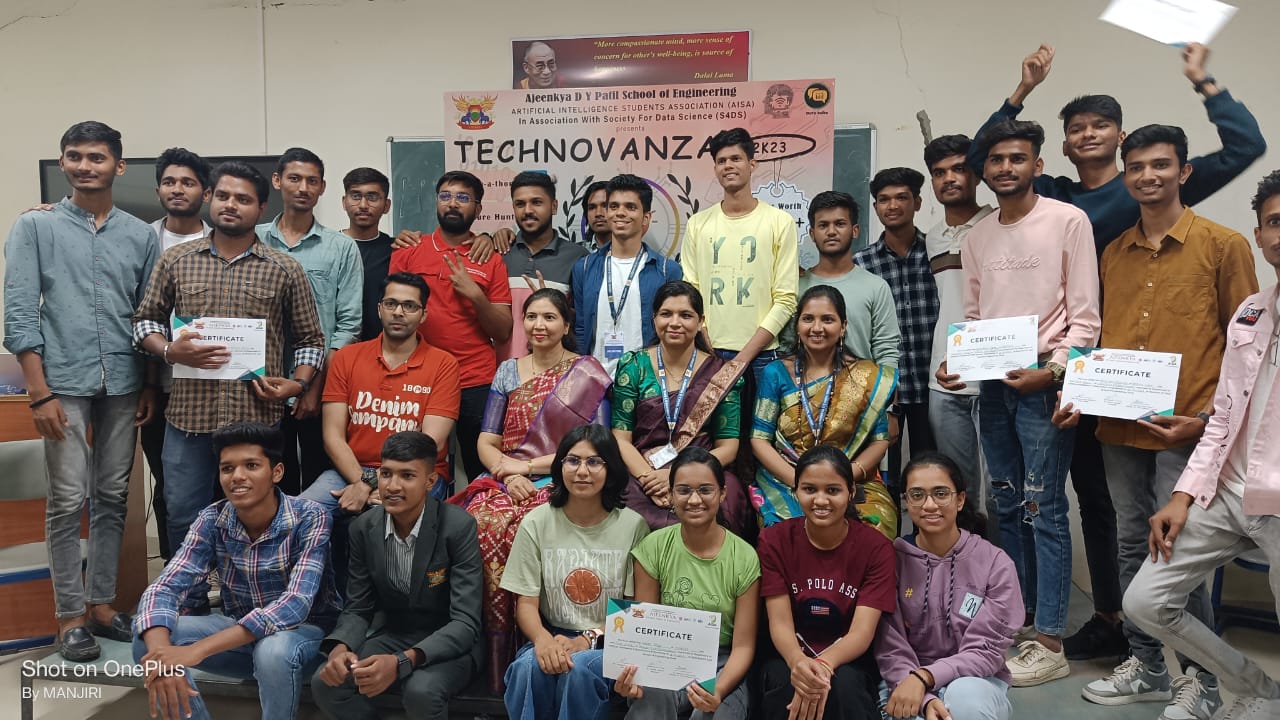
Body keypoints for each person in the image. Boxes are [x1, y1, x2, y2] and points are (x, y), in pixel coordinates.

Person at [968, 42, 1266, 662]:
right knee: (1099, 508)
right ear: (1062, 146)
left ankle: (1178, 656)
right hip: (1091, 384)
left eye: (1100, 125)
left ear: (1126, 140)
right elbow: (985, 157)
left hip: (1147, 388)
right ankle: (1120, 627)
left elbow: (1245, 148)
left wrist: (1204, 80)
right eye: (1076, 127)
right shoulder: (1056, 195)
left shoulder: (1165, 201)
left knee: (1152, 524)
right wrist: (1020, 91)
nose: (1088, 134)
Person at [1058, 126, 1256, 719]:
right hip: (1120, 427)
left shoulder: (1223, 246)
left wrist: (1207, 421)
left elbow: (1246, 350)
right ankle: (1146, 665)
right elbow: (1099, 336)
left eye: (1161, 165)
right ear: (1126, 176)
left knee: (1179, 553)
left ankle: (1205, 680)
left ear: (1184, 172)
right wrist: (1078, 389)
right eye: (1137, 167)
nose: (1148, 176)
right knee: (1128, 545)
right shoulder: (1112, 253)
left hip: (1189, 429)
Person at [132, 160, 326, 612]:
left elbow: (311, 340)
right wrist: (170, 351)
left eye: (243, 199)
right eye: (223, 196)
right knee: (182, 513)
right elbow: (144, 322)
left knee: (257, 516)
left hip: (255, 421)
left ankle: (255, 605)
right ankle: (190, 604)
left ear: (261, 208)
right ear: (210, 199)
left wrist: (296, 385)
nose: (231, 205)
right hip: (189, 419)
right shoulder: (176, 260)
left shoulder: (284, 269)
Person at [1123, 170, 1280, 720]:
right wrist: (1183, 495)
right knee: (1145, 602)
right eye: (1274, 222)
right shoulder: (1252, 312)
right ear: (1259, 235)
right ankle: (1259, 688)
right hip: (1227, 493)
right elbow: (1224, 416)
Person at [3, 120, 159, 661]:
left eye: (97, 157)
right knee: (68, 500)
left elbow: (147, 315)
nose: (85, 166)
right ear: (63, 162)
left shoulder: (140, 236)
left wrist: (149, 384)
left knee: (112, 496)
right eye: (75, 156)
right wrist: (38, 393)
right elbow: (19, 312)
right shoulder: (35, 227)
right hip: (62, 383)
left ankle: (102, 605)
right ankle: (69, 617)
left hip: (124, 382)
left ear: (119, 166)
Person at [957, 119, 1100, 686]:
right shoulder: (977, 237)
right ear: (985, 170)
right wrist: (961, 362)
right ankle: (1019, 619)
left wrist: (1054, 373)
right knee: (1008, 504)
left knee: (1045, 508)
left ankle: (1051, 638)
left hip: (1044, 384)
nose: (1006, 168)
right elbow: (974, 317)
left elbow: (1085, 318)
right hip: (994, 386)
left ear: (1037, 165)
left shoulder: (1068, 221)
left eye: (1017, 158)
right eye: (996, 160)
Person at [449, 288, 613, 691]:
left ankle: (532, 639)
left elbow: (596, 444)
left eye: (550, 317)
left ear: (567, 325)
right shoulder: (508, 371)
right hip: (505, 477)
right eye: (532, 317)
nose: (540, 325)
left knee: (530, 521)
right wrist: (507, 474)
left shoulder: (588, 374)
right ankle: (489, 657)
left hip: (565, 476)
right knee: (481, 521)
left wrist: (525, 467)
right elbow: (487, 440)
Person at [131, 422, 341, 720]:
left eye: (251, 466)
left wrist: (199, 649)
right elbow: (164, 588)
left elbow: (294, 605)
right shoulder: (212, 519)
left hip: (302, 640)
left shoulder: (310, 517)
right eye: (227, 468)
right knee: (147, 639)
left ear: (277, 472)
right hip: (240, 637)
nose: (237, 476)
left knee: (272, 651)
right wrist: (162, 660)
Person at [300, 272, 461, 597]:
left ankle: (384, 612)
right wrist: (362, 480)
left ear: (423, 314)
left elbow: (429, 445)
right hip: (349, 470)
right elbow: (332, 436)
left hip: (416, 475)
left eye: (409, 306)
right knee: (299, 514)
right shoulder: (347, 357)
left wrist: (372, 484)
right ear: (379, 309)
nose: (399, 312)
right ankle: (321, 606)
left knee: (381, 524)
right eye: (391, 303)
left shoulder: (443, 364)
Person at [312, 431, 482, 720]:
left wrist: (402, 661)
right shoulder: (364, 528)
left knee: (421, 692)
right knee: (327, 683)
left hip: (450, 641)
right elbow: (358, 607)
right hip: (396, 634)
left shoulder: (458, 526)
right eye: (386, 474)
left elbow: (465, 622)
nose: (392, 486)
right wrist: (341, 648)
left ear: (430, 481)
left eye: (407, 476)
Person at [501, 424, 650, 720]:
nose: (582, 471)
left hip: (610, 641)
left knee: (579, 669)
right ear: (559, 466)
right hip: (553, 634)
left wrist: (588, 639)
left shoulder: (633, 526)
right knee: (529, 667)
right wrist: (542, 640)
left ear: (611, 470)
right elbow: (526, 604)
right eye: (573, 460)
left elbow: (635, 609)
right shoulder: (536, 523)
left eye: (594, 462)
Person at [613, 447, 760, 720]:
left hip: (722, 662)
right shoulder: (653, 548)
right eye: (683, 491)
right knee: (649, 698)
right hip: (666, 656)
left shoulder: (744, 557)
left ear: (722, 494)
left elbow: (743, 647)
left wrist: (717, 689)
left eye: (705, 490)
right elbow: (644, 632)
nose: (694, 500)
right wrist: (634, 678)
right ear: (670, 495)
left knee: (714, 712)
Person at [875, 452, 1022, 720]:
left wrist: (926, 676)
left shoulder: (995, 563)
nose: (930, 505)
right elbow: (890, 647)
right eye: (917, 495)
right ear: (906, 501)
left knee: (964, 698)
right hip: (904, 682)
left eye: (941, 493)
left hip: (976, 680)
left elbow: (986, 651)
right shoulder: (890, 561)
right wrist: (924, 696)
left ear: (960, 499)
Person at [389, 170, 514, 482]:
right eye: (445, 196)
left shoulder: (490, 258)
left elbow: (502, 332)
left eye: (463, 198)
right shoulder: (408, 250)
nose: (453, 203)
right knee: (418, 463)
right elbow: (393, 315)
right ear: (436, 202)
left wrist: (475, 294)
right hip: (419, 375)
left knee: (481, 467)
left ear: (478, 208)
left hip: (474, 377)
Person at [757, 444, 897, 720]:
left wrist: (822, 665)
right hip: (788, 656)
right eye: (810, 489)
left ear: (851, 492)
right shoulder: (774, 540)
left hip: (849, 660)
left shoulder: (876, 548)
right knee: (785, 683)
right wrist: (799, 663)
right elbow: (780, 622)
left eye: (832, 490)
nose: (820, 500)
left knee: (845, 686)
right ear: (795, 491)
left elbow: (861, 632)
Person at [751, 285, 899, 537]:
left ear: (843, 327)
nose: (817, 328)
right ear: (797, 325)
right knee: (786, 531)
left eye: (827, 319)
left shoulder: (867, 376)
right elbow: (759, 439)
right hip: (787, 480)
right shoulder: (775, 373)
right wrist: (801, 482)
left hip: (851, 478)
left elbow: (879, 441)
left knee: (875, 524)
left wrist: (843, 478)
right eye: (808, 319)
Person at [257, 147, 363, 495]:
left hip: (319, 385)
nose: (303, 187)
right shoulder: (253, 239)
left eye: (312, 181)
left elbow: (348, 325)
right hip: (259, 387)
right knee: (270, 479)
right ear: (277, 181)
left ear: (322, 187)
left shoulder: (341, 247)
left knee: (320, 479)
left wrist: (314, 387)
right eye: (294, 178)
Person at [612, 281, 750, 534]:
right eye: (666, 314)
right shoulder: (633, 366)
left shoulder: (721, 374)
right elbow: (621, 439)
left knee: (727, 501)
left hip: (702, 470)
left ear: (700, 322)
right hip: (643, 471)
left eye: (685, 315)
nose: (675, 323)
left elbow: (728, 448)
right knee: (626, 512)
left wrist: (676, 476)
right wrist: (648, 478)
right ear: (654, 319)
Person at [679, 127, 798, 382]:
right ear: (715, 169)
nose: (728, 166)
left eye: (736, 158)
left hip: (763, 355)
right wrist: (704, 338)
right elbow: (691, 290)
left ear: (752, 164)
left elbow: (786, 299)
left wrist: (743, 358)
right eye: (721, 161)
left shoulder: (779, 222)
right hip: (707, 351)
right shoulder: (698, 224)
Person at [146, 147, 214, 562]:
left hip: (217, 384)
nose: (177, 189)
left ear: (205, 193)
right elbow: (141, 316)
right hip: (158, 385)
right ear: (158, 189)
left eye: (188, 182)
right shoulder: (140, 239)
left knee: (221, 485)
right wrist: (148, 383)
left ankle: (220, 571)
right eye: (169, 181)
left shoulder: (226, 239)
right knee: (171, 487)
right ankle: (175, 568)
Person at [853, 167, 939, 495]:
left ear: (917, 202)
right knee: (880, 481)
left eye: (901, 197)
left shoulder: (937, 253)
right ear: (875, 206)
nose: (892, 205)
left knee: (931, 477)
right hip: (884, 391)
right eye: (883, 199)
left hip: (933, 386)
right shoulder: (862, 263)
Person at [923, 136, 995, 525]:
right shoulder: (932, 237)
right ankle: (967, 561)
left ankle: (1001, 563)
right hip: (944, 379)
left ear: (977, 174)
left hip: (995, 376)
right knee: (957, 492)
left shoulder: (998, 224)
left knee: (1001, 490)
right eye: (939, 172)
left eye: (959, 169)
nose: (949, 178)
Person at [573, 173, 683, 375]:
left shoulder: (667, 270)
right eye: (614, 206)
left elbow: (673, 332)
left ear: (646, 217)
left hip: (646, 381)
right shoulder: (584, 267)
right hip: (596, 380)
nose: (620, 213)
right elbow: (581, 329)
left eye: (630, 207)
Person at [798, 191, 901, 367]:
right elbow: (787, 348)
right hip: (804, 383)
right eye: (823, 225)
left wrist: (886, 384)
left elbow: (887, 352)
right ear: (812, 233)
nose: (831, 232)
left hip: (862, 384)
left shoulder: (876, 287)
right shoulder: (796, 286)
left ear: (855, 231)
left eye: (840, 224)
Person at [498, 171, 588, 359]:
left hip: (555, 370)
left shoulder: (577, 257)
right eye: (520, 204)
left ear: (554, 206)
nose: (528, 210)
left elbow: (584, 321)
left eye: (537, 202)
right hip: (503, 369)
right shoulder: (499, 252)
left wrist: (552, 304)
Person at [340, 167, 395, 341]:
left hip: (383, 348)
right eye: (356, 196)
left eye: (372, 197)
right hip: (335, 349)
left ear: (386, 206)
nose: (363, 205)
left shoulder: (396, 250)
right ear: (344, 202)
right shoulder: (328, 247)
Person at [582, 180, 612, 249]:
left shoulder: (634, 251)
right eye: (592, 207)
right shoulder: (578, 252)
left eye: (605, 206)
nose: (598, 213)